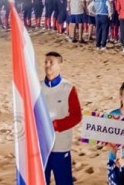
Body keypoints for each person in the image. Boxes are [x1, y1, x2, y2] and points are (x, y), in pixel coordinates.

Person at [40, 51, 82, 185]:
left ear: (60, 66)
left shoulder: (68, 88)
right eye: (46, 62)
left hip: (60, 146)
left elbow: (76, 116)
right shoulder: (37, 87)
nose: (48, 65)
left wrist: (56, 125)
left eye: (51, 62)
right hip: (41, 146)